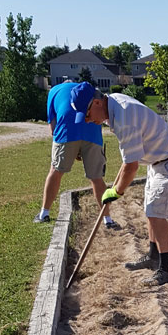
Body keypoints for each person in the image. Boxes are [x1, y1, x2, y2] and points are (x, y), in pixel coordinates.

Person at [70, 82, 168, 287]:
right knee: (150, 211)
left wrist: (117, 192)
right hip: (158, 161)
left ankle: (165, 270)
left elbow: (131, 166)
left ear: (97, 102)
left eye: (87, 114)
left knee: (156, 214)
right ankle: (153, 256)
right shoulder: (114, 104)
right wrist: (113, 188)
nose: (88, 120)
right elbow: (128, 159)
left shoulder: (124, 118)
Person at [34, 79, 116, 227]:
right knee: (97, 177)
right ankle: (107, 219)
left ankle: (44, 213)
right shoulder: (84, 92)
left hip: (66, 130)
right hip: (92, 130)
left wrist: (71, 147)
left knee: (56, 170)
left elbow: (53, 128)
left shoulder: (53, 91)